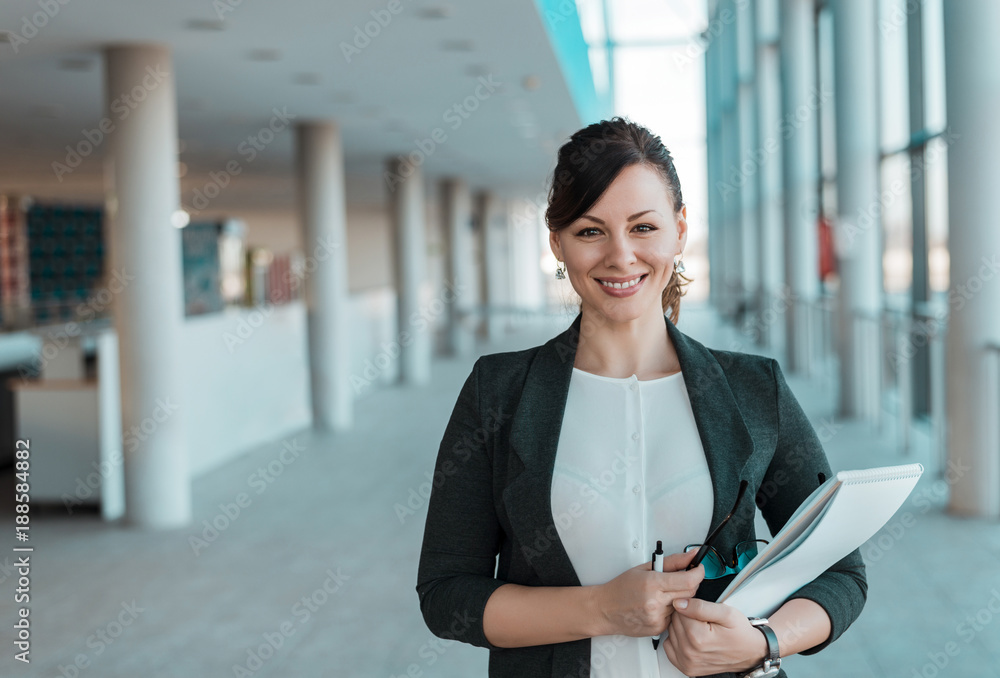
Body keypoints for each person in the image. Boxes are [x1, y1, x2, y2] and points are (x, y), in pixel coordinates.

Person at [416, 117, 866, 678]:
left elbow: (840, 572)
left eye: (643, 227)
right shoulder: (498, 392)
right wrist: (601, 609)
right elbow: (447, 595)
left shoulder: (755, 390)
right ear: (557, 242)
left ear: (679, 231)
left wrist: (762, 643)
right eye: (590, 231)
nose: (621, 256)